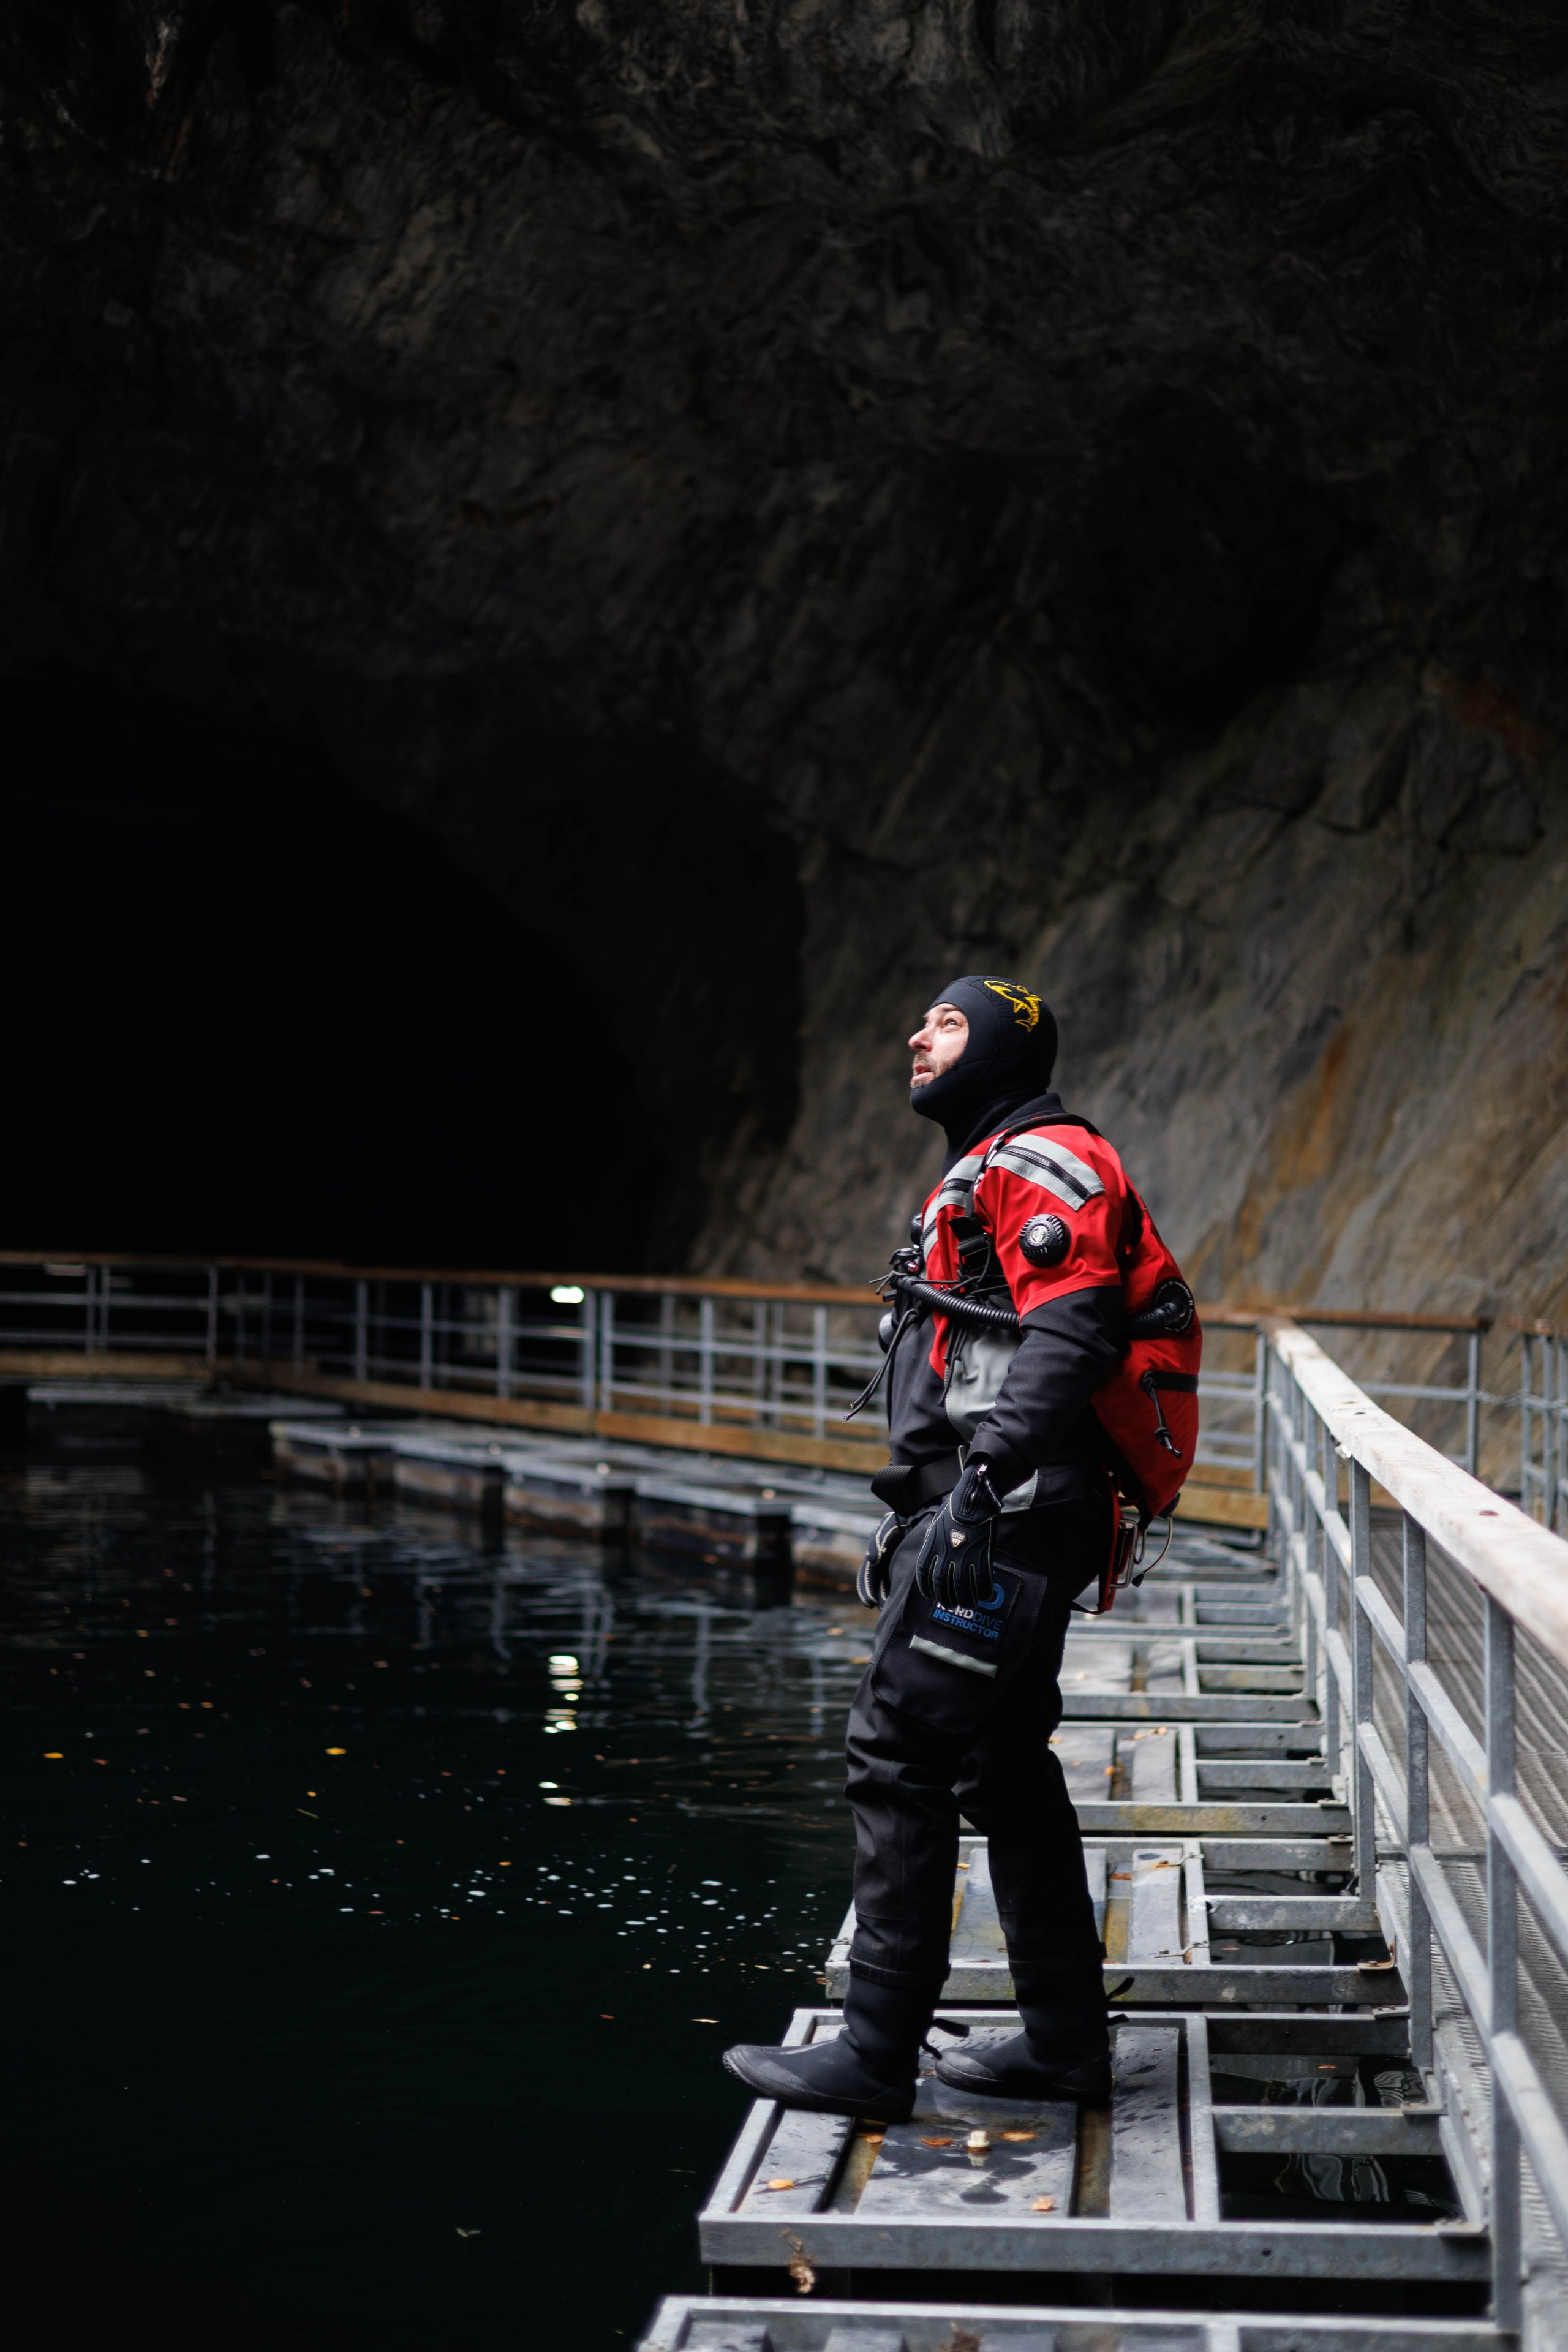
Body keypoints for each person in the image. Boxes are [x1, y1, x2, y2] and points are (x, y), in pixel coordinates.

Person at [724, 974, 1147, 2122]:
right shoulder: (991, 1166)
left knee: (896, 1749)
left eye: (948, 1022)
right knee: (999, 1769)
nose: (919, 1035)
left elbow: (1077, 1322)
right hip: (1007, 1511)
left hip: (1000, 1519)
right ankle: (1065, 2044)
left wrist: (979, 1485)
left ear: (1006, 1045)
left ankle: (874, 2055)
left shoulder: (1041, 1159)